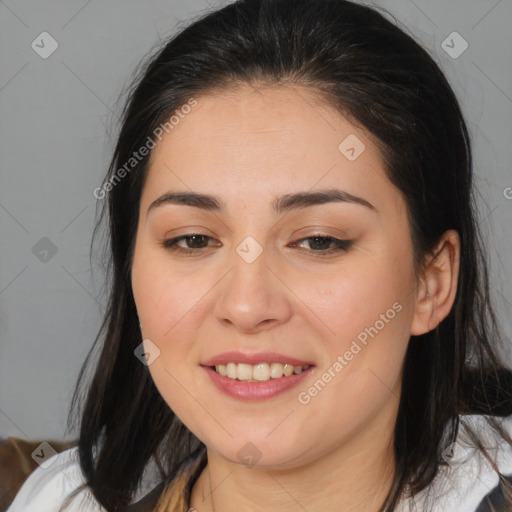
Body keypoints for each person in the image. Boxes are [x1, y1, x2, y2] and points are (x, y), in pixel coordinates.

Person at [7, 0, 512, 511]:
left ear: (432, 280)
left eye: (319, 241)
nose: (247, 306)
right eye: (193, 240)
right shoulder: (58, 502)